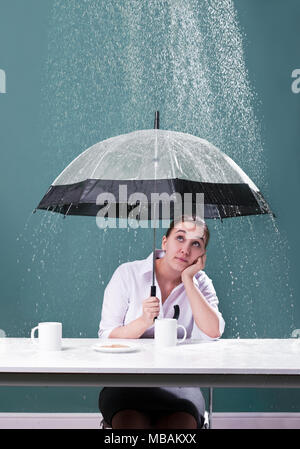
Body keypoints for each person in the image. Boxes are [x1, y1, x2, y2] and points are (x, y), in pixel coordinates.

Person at [98, 214, 225, 429]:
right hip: (127, 380)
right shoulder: (128, 274)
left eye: (196, 244)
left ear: (201, 254)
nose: (185, 249)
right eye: (180, 238)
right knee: (131, 427)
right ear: (165, 241)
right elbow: (106, 336)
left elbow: (214, 332)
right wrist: (143, 321)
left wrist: (188, 280)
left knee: (179, 427)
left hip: (181, 383)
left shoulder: (201, 283)